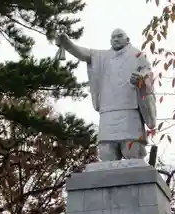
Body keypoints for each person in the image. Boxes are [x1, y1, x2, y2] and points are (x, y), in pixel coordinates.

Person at [55, 29, 156, 161]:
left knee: (132, 152)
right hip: (108, 111)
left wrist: (141, 79)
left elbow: (147, 73)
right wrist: (67, 43)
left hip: (130, 111)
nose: (116, 39)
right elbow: (84, 54)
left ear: (127, 39)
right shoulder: (102, 57)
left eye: (119, 36)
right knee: (107, 153)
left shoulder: (137, 55)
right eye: (113, 37)